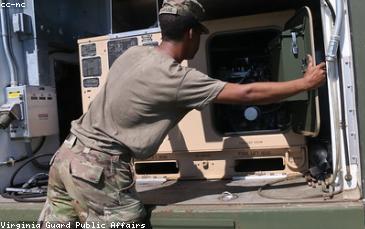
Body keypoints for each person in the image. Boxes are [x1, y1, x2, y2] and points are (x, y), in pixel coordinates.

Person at [38, 0, 326, 227]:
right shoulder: (179, 79)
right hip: (98, 170)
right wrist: (305, 83)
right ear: (191, 34)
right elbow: (246, 94)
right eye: (199, 34)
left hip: (65, 158)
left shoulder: (133, 55)